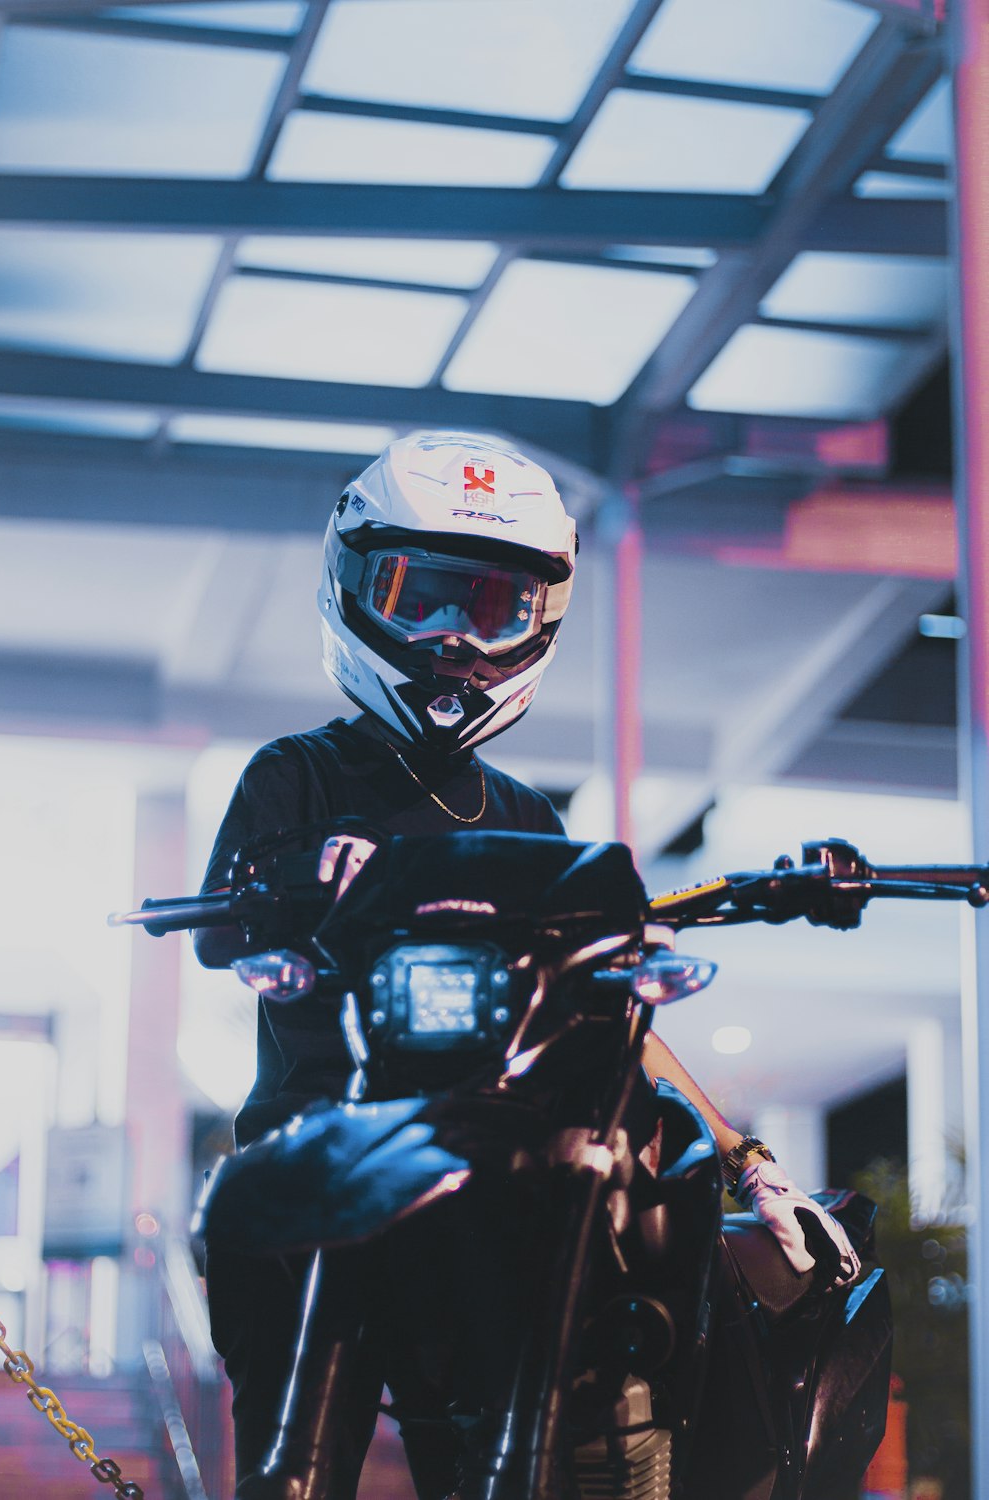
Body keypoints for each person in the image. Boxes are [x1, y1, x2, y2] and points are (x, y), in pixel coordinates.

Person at [194, 431, 859, 1496]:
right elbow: (220, 932)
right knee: (287, 1453)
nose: (455, 637)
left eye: (494, 607)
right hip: (327, 1148)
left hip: (497, 1176)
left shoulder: (527, 817)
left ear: (539, 618)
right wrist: (291, 887)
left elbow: (611, 1010)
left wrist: (745, 1153)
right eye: (422, 597)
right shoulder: (296, 776)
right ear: (354, 583)